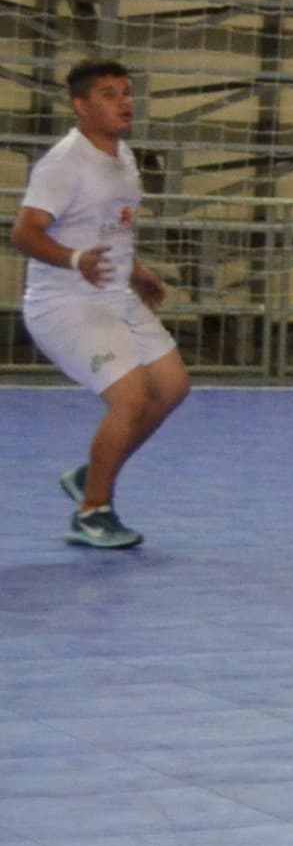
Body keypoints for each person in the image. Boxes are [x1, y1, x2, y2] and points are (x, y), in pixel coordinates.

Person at [13, 60, 188, 551]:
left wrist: (136, 271)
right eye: (110, 94)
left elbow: (110, 228)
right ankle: (92, 512)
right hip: (64, 302)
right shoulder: (64, 164)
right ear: (81, 106)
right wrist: (73, 260)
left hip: (113, 291)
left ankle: (94, 471)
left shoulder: (124, 156)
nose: (124, 102)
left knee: (173, 387)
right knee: (131, 399)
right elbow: (23, 232)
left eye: (127, 92)